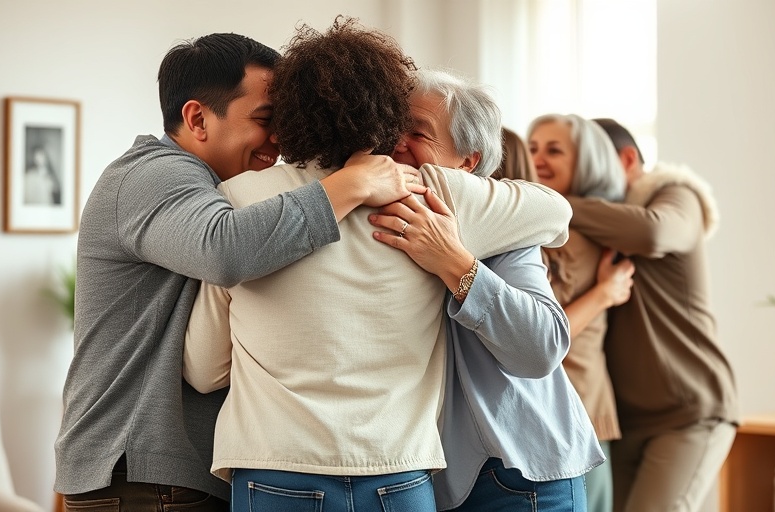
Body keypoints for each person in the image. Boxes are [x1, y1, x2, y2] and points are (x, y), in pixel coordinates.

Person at [182, 19, 572, 512]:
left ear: (288, 115)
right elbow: (556, 212)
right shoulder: (434, 191)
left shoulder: (238, 199)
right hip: (398, 470)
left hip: (276, 465)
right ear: (387, 108)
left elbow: (202, 368)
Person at [54, 32, 422, 512]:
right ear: (196, 118)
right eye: (266, 120)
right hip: (144, 475)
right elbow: (224, 250)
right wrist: (350, 184)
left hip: (156, 474)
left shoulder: (205, 183)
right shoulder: (155, 174)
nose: (280, 139)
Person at [370, 69, 603, 512]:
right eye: (390, 130)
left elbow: (542, 348)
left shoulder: (507, 224)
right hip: (419, 479)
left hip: (517, 472)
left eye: (417, 133)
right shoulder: (364, 213)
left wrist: (454, 263)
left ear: (468, 162)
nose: (397, 144)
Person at [568, 117, 739, 512]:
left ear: (626, 159)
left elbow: (654, 234)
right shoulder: (589, 224)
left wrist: (552, 200)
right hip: (625, 419)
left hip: (689, 411)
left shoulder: (676, 193)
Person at [526, 113, 636, 512]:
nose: (538, 158)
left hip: (576, 402)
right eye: (533, 147)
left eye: (554, 150)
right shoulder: (540, 227)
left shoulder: (576, 238)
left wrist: (605, 294)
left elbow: (544, 331)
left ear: (586, 163)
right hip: (558, 402)